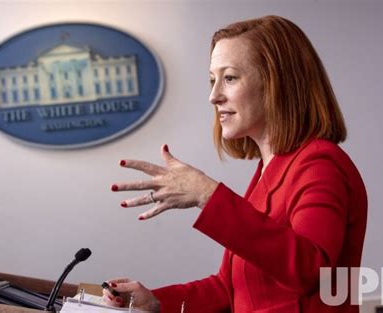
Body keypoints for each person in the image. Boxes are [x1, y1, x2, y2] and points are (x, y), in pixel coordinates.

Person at [105, 15, 367, 313]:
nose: (213, 96)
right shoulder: (269, 170)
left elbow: (311, 270)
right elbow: (229, 288)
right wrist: (155, 301)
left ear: (276, 84)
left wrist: (208, 194)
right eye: (212, 80)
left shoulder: (320, 163)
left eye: (229, 78)